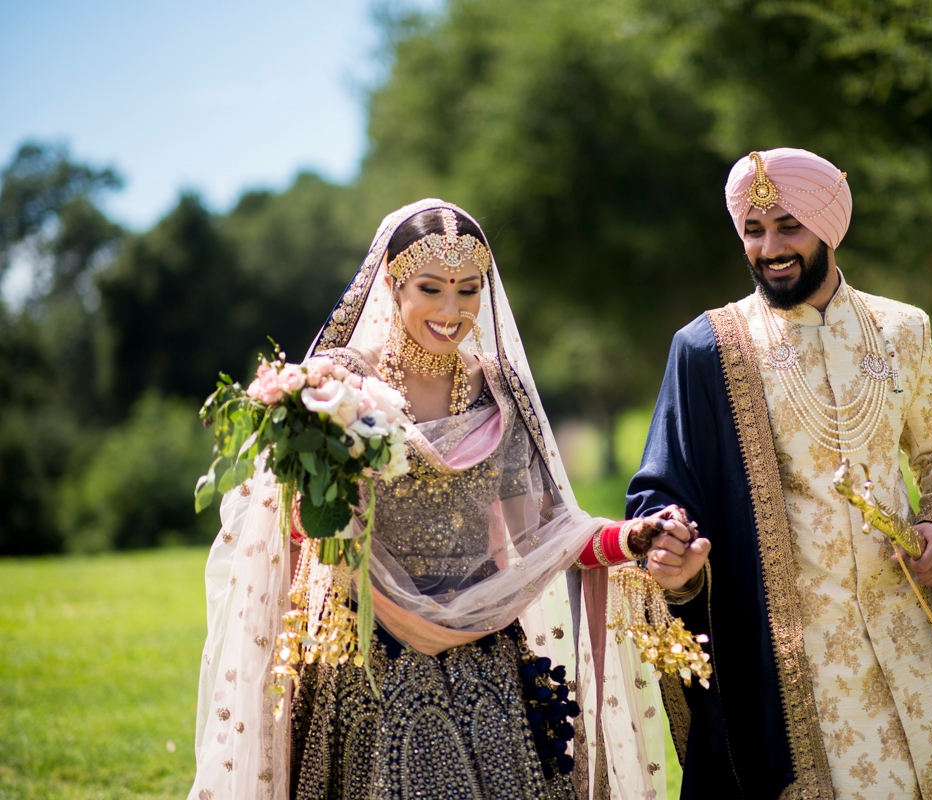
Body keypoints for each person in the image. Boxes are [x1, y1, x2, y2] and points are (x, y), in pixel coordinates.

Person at [189, 199, 688, 800]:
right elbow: (292, 524)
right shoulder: (337, 387)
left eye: (468, 290)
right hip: (368, 659)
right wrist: (323, 506)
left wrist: (631, 537)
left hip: (484, 657)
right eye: (432, 288)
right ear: (393, 284)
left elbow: (545, 532)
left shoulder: (498, 395)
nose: (451, 311)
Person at [628, 149, 932, 799]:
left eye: (788, 226)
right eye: (753, 232)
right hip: (797, 662)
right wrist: (670, 553)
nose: (770, 247)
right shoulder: (708, 348)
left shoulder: (901, 329)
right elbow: (664, 493)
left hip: (914, 634)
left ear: (828, 225)